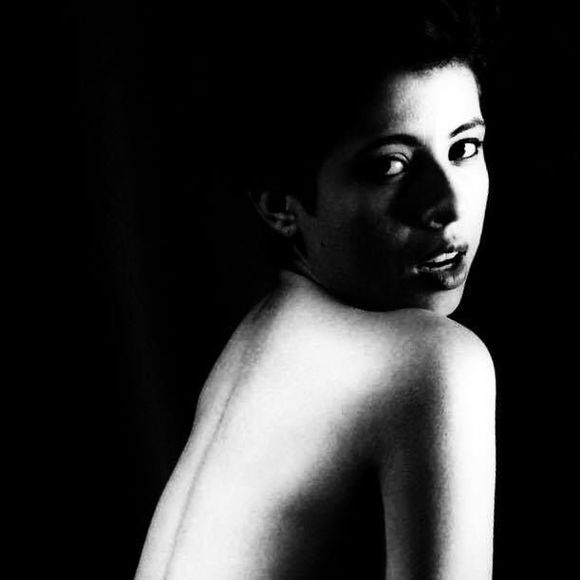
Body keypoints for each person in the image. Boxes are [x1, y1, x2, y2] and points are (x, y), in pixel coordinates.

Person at [135, 2, 497, 578]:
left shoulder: (256, 344)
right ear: (280, 205)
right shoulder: (432, 362)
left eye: (464, 149)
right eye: (391, 166)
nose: (447, 206)